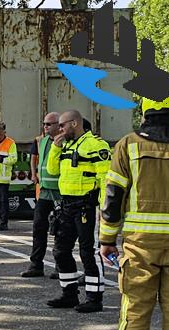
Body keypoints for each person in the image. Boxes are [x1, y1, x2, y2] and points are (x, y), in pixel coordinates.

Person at [99, 92, 169, 330]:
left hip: (140, 247)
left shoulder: (129, 145)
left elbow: (112, 200)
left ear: (145, 109)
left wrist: (107, 239)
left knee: (135, 312)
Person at [45, 110, 110, 313]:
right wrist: (55, 148)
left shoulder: (96, 145)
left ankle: (94, 298)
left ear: (74, 123)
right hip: (67, 205)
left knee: (87, 252)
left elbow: (106, 178)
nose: (59, 130)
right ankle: (69, 295)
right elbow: (52, 170)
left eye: (62, 126)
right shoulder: (66, 146)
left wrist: (103, 209)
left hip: (87, 206)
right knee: (61, 251)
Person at [21, 113, 62, 278]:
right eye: (44, 123)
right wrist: (34, 176)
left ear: (58, 125)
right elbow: (37, 160)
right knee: (38, 227)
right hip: (45, 191)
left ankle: (61, 266)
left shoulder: (64, 143)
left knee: (60, 229)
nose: (45, 127)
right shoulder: (42, 141)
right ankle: (36, 264)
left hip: (59, 192)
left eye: (48, 124)